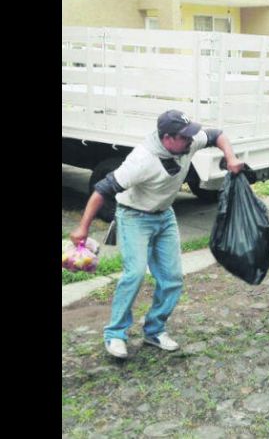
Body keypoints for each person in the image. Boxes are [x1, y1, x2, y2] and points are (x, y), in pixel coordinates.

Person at [70, 110, 244, 359]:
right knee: (134, 274)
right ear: (167, 138)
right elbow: (101, 190)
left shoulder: (188, 142)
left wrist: (231, 157)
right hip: (134, 217)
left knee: (172, 278)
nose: (191, 141)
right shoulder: (141, 160)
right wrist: (83, 228)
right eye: (184, 138)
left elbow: (217, 135)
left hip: (164, 216)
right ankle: (115, 334)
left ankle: (154, 330)